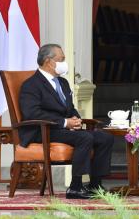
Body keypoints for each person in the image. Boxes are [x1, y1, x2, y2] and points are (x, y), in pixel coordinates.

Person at [19, 44, 114, 199]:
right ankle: (75, 187)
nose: (65, 62)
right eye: (61, 59)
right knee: (85, 137)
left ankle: (94, 185)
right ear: (49, 61)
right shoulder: (31, 85)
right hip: (42, 131)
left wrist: (76, 118)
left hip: (63, 130)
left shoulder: (62, 82)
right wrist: (64, 122)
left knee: (105, 138)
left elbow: (69, 108)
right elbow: (32, 113)